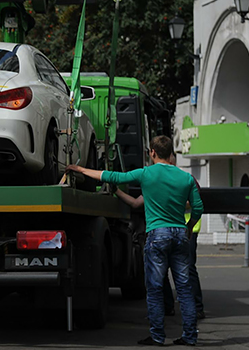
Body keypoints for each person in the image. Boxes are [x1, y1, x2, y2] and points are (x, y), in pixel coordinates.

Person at [68, 135, 203, 346]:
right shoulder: (186, 178)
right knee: (184, 288)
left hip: (157, 235)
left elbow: (114, 177)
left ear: (152, 153)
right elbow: (198, 208)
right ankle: (190, 336)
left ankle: (158, 336)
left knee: (155, 287)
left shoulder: (146, 173)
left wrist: (82, 170)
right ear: (171, 155)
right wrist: (188, 227)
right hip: (179, 235)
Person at [115, 187, 205, 320]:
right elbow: (135, 203)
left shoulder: (185, 179)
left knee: (187, 269)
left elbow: (193, 203)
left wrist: (163, 201)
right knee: (161, 270)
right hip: (164, 231)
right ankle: (168, 307)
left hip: (183, 229)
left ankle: (196, 309)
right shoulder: (155, 181)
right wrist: (116, 190)